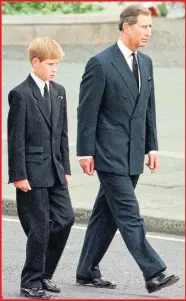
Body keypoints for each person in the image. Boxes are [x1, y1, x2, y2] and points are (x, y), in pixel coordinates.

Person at [76, 4, 179, 294]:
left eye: (150, 27)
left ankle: (86, 269)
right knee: (129, 212)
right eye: (144, 26)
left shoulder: (145, 62)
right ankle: (154, 272)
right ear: (126, 27)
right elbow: (87, 111)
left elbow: (149, 108)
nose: (149, 32)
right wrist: (85, 152)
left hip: (133, 152)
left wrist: (152, 147)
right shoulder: (100, 63)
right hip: (108, 153)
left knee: (105, 214)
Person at [7, 38, 75, 299]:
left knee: (66, 218)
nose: (54, 68)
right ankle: (30, 282)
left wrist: (66, 167)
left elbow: (63, 134)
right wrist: (18, 175)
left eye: (57, 64)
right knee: (39, 227)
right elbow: (16, 139)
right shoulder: (21, 94)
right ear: (35, 62)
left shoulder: (59, 91)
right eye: (50, 64)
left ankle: (44, 273)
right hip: (31, 174)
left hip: (56, 170)